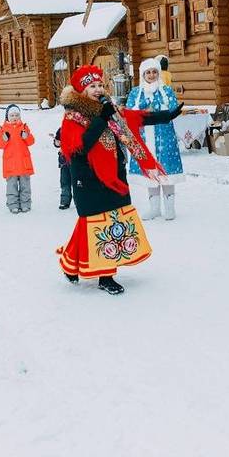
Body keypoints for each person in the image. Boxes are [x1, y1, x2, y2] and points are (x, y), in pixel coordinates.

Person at [57, 65, 182, 295]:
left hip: (113, 174)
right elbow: (80, 147)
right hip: (89, 178)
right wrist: (101, 120)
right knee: (99, 223)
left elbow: (136, 117)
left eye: (99, 85)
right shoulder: (72, 116)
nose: (97, 89)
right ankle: (106, 276)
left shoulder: (109, 110)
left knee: (98, 222)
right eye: (91, 86)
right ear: (81, 91)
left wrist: (167, 115)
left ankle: (71, 263)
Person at [125, 58, 184, 220]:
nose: (151, 75)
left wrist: (153, 110)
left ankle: (170, 208)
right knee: (150, 173)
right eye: (148, 72)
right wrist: (145, 107)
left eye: (154, 72)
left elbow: (172, 110)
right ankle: (155, 208)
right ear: (142, 74)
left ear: (159, 73)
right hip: (144, 138)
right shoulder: (135, 93)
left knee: (166, 172)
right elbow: (129, 113)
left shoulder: (166, 91)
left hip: (164, 137)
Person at [0, 105, 35, 214]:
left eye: (17, 115)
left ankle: (25, 204)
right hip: (10, 163)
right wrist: (4, 139)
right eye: (12, 115)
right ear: (7, 117)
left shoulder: (24, 127)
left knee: (25, 185)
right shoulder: (3, 129)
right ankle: (13, 204)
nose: (14, 117)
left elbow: (31, 142)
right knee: (11, 186)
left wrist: (26, 136)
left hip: (23, 162)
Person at [53, 128, 71, 210]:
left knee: (78, 183)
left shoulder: (79, 127)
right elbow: (57, 143)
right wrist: (56, 142)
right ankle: (64, 201)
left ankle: (80, 201)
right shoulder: (62, 129)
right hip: (64, 161)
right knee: (64, 182)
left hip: (76, 160)